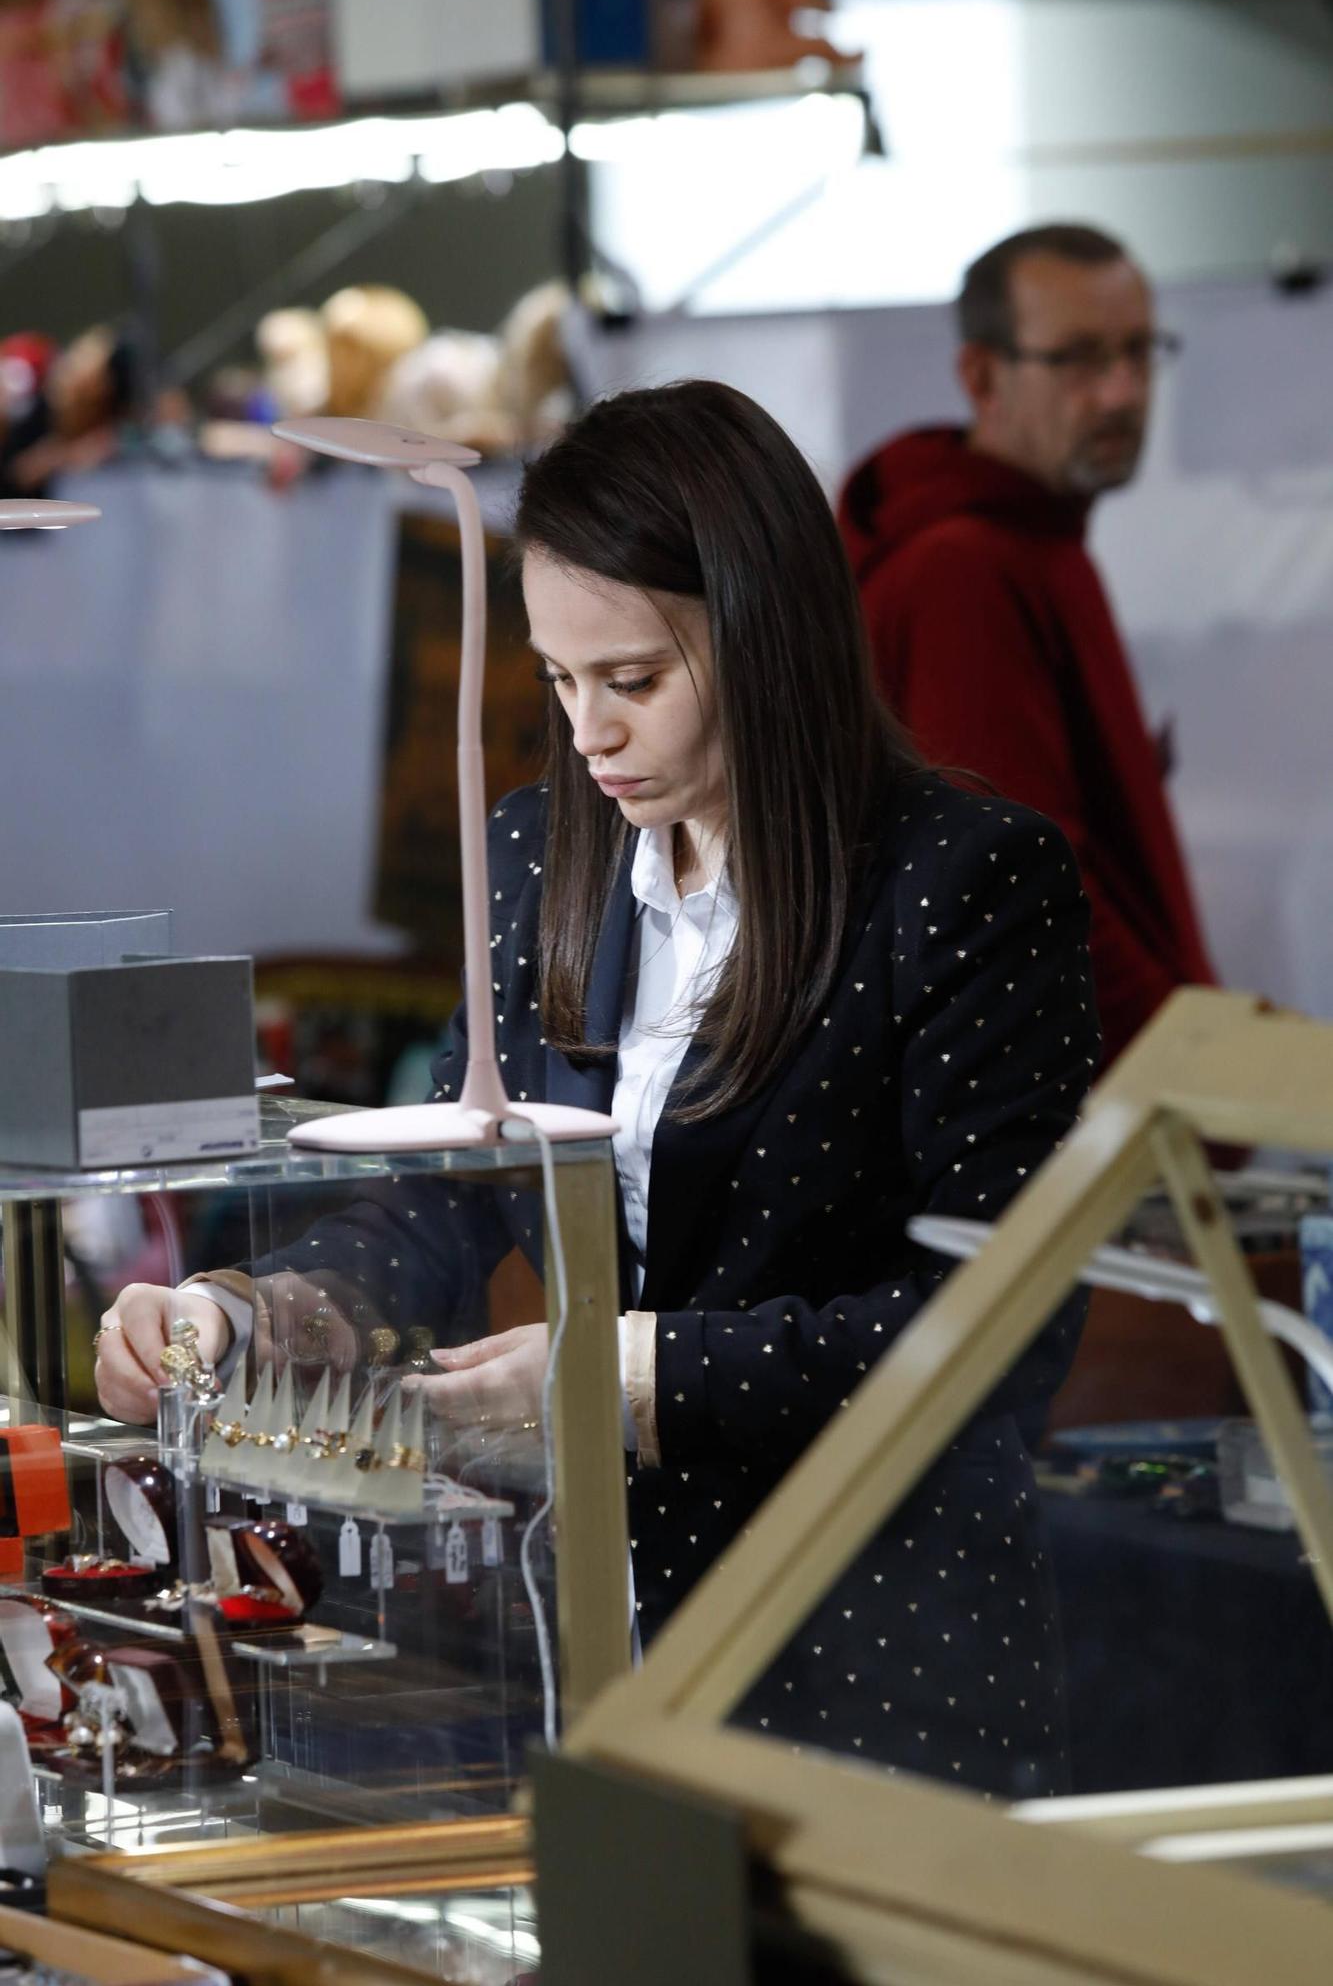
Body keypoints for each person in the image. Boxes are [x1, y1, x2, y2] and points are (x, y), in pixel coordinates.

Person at [96, 379, 1099, 1799]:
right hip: (589, 1648)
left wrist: (620, 1379)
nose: (589, 736)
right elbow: (439, 1207)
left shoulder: (966, 884)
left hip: (875, 1653)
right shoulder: (539, 858)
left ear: (768, 637)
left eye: (633, 681)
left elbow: (1005, 1324)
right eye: (560, 682)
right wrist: (244, 1316)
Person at [838, 223, 1216, 1068]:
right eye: (1080, 358)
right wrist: (1183, 1066)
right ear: (982, 376)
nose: (1121, 391)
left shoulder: (1034, 539)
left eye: (1137, 351)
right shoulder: (964, 569)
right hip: (1059, 1121)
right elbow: (1023, 886)